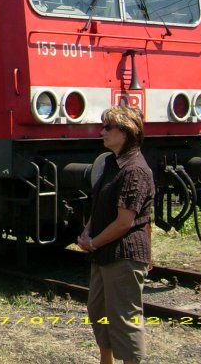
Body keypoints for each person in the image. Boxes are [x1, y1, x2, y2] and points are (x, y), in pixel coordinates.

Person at [78, 106, 154, 364]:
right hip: (103, 252)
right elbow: (100, 203)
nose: (102, 131)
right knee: (98, 310)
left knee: (124, 317)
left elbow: (124, 222)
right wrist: (88, 232)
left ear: (126, 131)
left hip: (124, 253)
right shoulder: (112, 162)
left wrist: (93, 242)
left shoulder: (135, 171)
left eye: (107, 127)